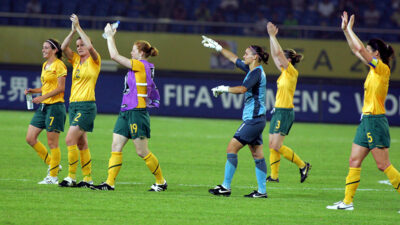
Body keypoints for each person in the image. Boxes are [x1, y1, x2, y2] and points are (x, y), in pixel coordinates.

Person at [327, 12, 400, 212]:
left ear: (376, 53)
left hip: (375, 120)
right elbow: (355, 49)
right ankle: (347, 202)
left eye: (370, 50)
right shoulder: (372, 70)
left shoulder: (382, 69)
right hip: (366, 121)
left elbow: (359, 48)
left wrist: (350, 29)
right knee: (354, 160)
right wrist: (345, 31)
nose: (366, 53)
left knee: (383, 165)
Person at [91, 23, 167, 192]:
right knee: (115, 147)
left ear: (141, 53)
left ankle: (161, 182)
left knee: (142, 151)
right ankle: (109, 183)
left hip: (136, 112)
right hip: (126, 111)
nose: (131, 52)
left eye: (133, 50)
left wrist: (110, 36)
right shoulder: (139, 65)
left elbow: (114, 56)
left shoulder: (141, 64)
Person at [202, 35, 269, 198]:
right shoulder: (253, 70)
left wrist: (224, 88)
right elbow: (234, 59)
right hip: (257, 119)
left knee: (232, 148)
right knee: (257, 155)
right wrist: (218, 48)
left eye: (247, 53)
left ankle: (226, 186)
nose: (244, 56)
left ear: (255, 57)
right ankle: (262, 192)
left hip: (253, 120)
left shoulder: (256, 73)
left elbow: (242, 89)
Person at [58, 14, 101, 188]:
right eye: (78, 45)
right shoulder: (75, 60)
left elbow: (90, 45)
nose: (80, 46)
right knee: (81, 143)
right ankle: (88, 178)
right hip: (74, 106)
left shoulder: (94, 60)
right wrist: (73, 30)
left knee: (70, 139)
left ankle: (71, 177)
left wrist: (80, 27)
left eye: (82, 44)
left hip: (87, 106)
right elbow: (63, 47)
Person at [266, 22, 311, 184]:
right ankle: (274, 176)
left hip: (285, 112)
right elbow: (274, 54)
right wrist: (271, 38)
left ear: (289, 60)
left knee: (276, 145)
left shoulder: (291, 71)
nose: (279, 61)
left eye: (283, 59)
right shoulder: (284, 72)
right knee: (272, 145)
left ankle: (303, 165)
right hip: (278, 110)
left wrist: (273, 36)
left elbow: (277, 54)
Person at [25, 39, 67, 184]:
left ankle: (53, 177)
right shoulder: (45, 65)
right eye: (43, 47)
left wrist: (41, 97)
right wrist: (34, 91)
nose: (43, 50)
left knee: (52, 143)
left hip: (55, 107)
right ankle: (53, 163)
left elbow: (61, 88)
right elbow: (47, 86)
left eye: (46, 48)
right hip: (44, 107)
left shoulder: (59, 65)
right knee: (30, 138)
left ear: (54, 50)